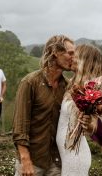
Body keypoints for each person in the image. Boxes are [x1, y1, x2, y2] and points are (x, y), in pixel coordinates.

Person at [12, 35, 75, 176]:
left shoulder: (67, 87)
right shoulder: (30, 82)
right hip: (33, 160)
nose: (73, 57)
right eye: (70, 53)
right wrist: (25, 159)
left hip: (57, 161)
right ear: (55, 52)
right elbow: (20, 124)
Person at [56, 44, 102, 176]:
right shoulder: (73, 83)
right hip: (66, 151)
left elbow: (92, 127)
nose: (71, 58)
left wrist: (87, 123)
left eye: (76, 56)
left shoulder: (92, 89)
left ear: (85, 61)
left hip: (75, 154)